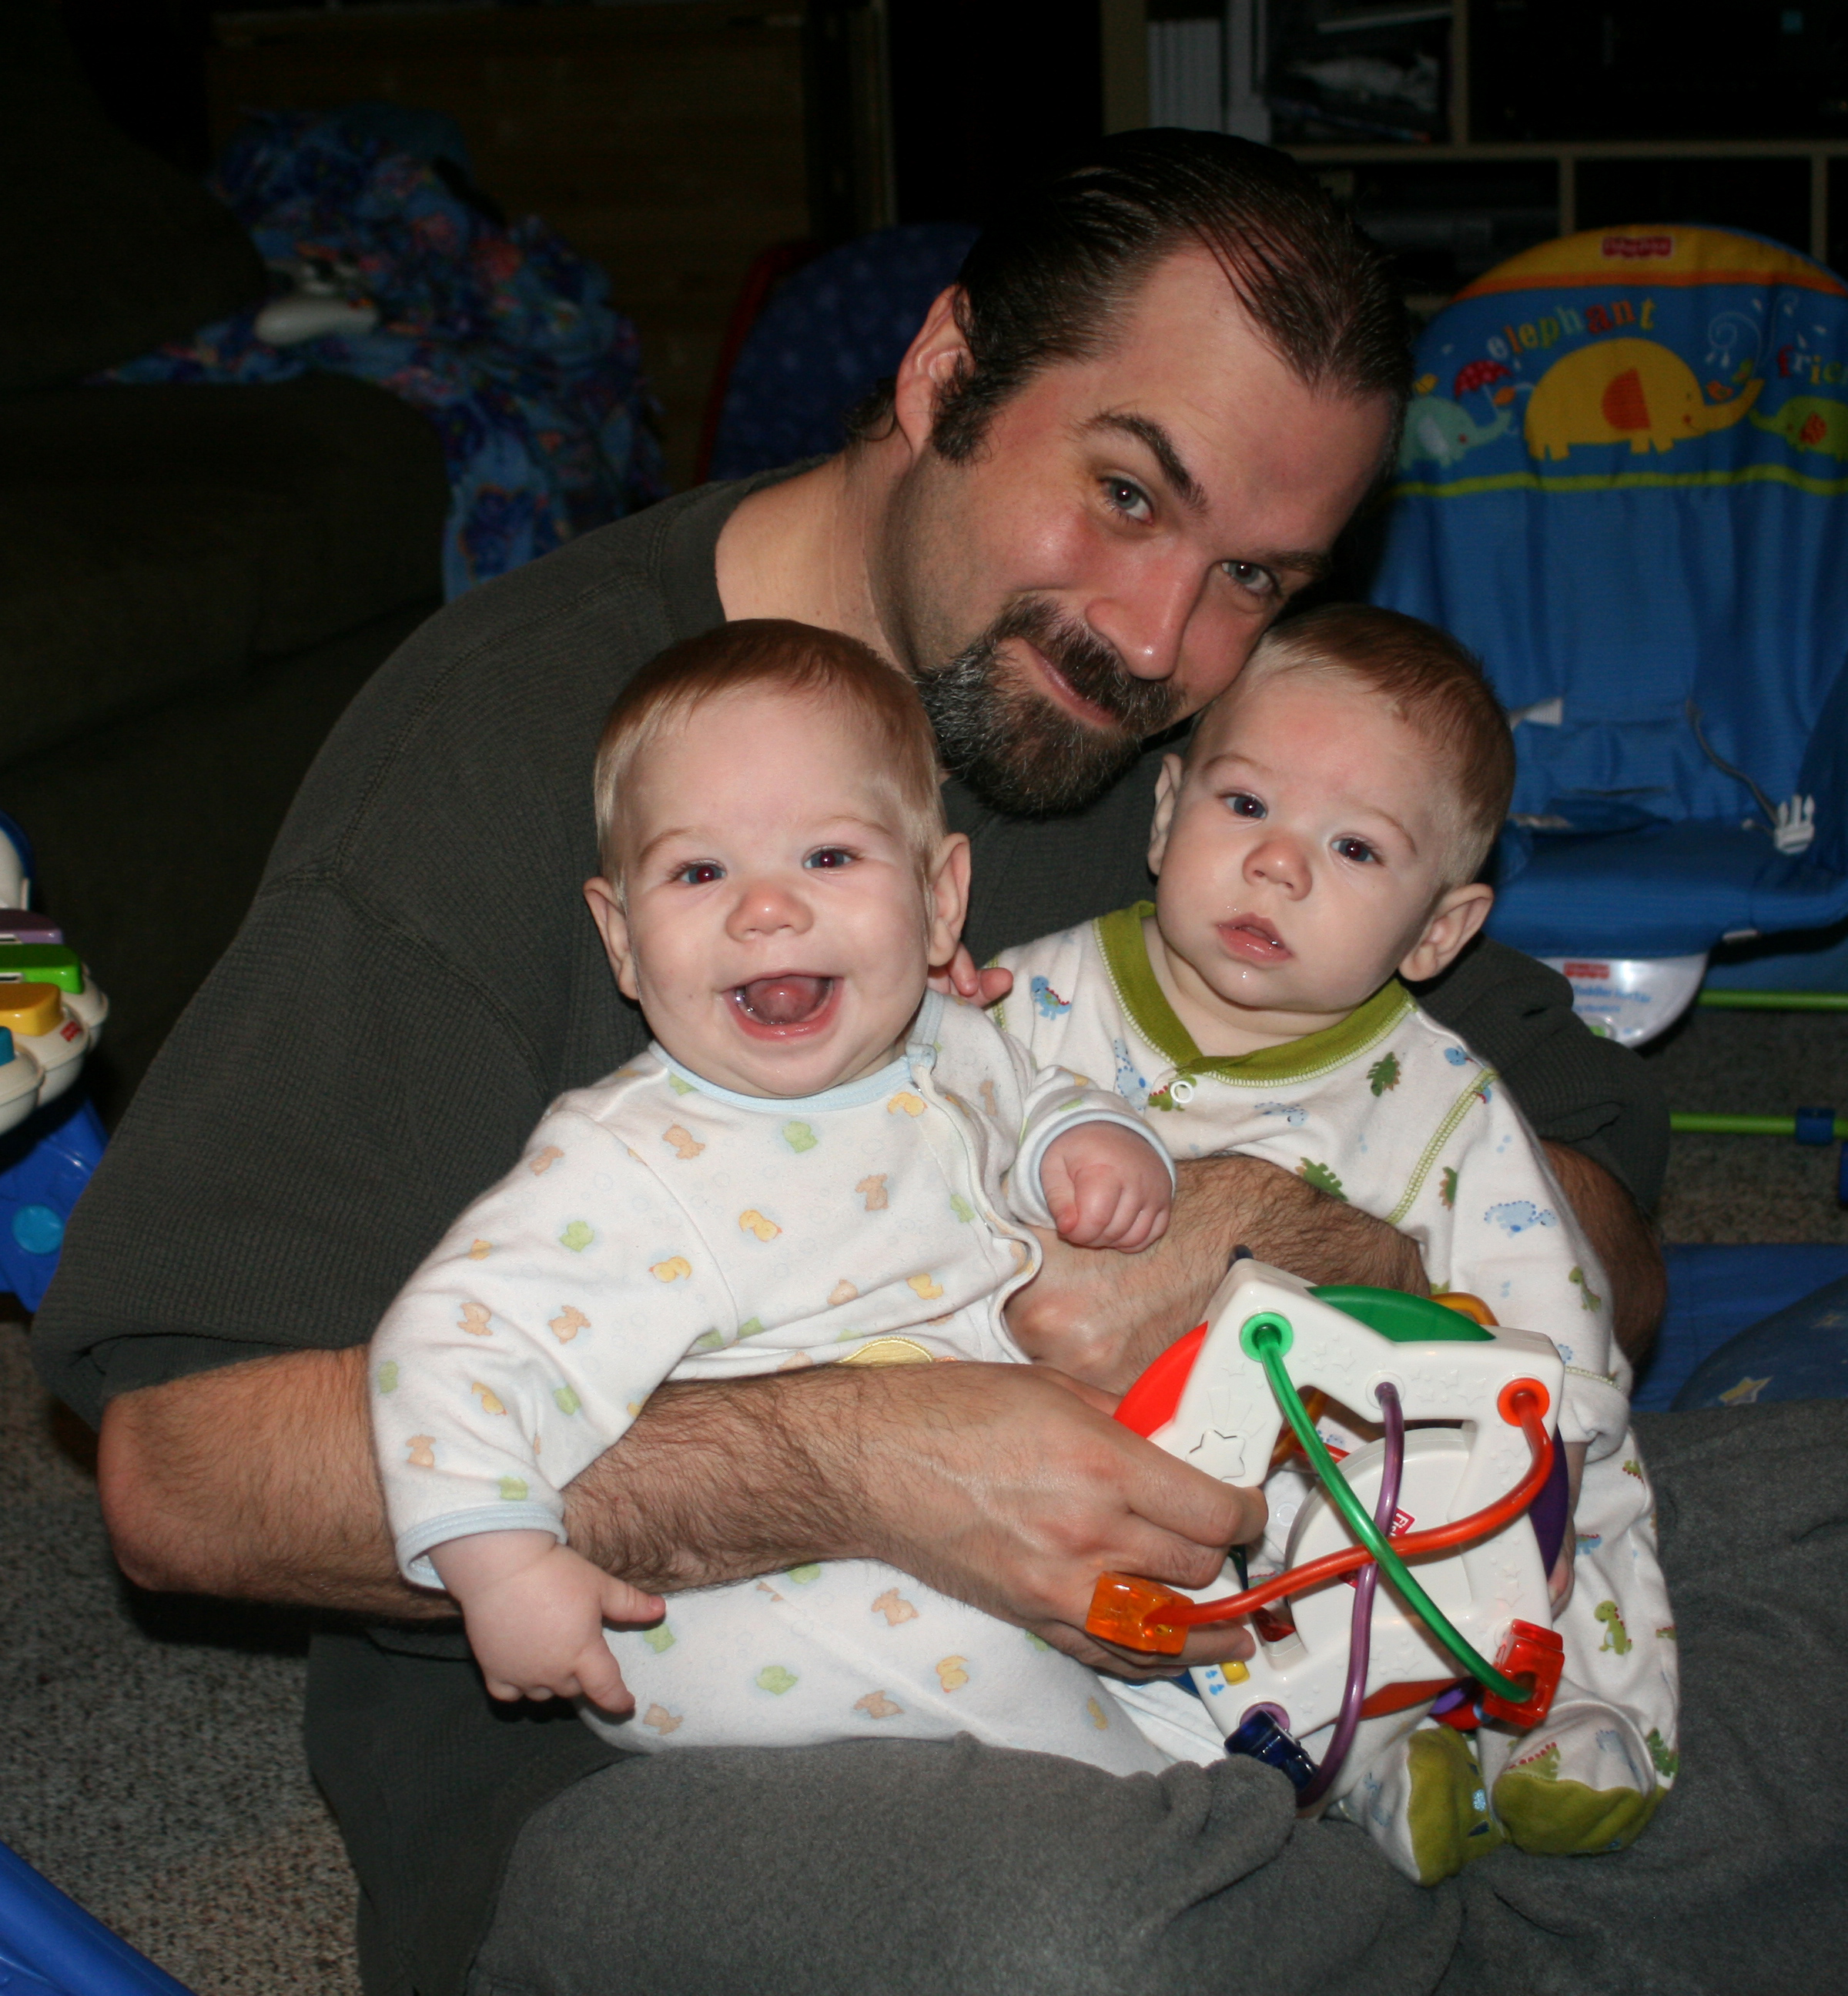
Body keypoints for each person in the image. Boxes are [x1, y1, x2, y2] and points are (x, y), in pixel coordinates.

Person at [41, 132, 1830, 1996]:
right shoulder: (509, 761)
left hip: (1284, 1582)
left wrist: (1272, 1233)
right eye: (1125, 493)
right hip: (677, 1742)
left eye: (1252, 574)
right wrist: (859, 1458)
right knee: (1091, 1942)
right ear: (943, 371)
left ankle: (1413, 1874)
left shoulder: (1229, 764)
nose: (1158, 640)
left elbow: (1599, 1245)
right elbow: (182, 1474)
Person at [372, 617, 1187, 1772]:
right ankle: (1160, 1794)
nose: (764, 909)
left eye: (829, 858)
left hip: (991, 1519)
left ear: (940, 901)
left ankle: (1245, 1740)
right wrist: (501, 1566)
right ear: (622, 938)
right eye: (700, 872)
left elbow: (1034, 1093)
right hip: (754, 1609)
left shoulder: (950, 1042)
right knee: (1025, 1693)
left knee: (1200, 1517)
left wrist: (1091, 1136)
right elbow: (451, 1341)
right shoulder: (624, 1158)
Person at [993, 604, 1676, 1882]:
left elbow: (1557, 1341)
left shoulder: (1444, 1104)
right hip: (1066, 1485)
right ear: (1165, 816)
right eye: (1246, 805)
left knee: (1544, 1463)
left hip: (1333, 1485)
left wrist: (1543, 1484)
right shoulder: (1024, 1006)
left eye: (1354, 847)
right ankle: (1331, 1754)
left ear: (1437, 933)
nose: (1278, 866)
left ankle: (1531, 1725)